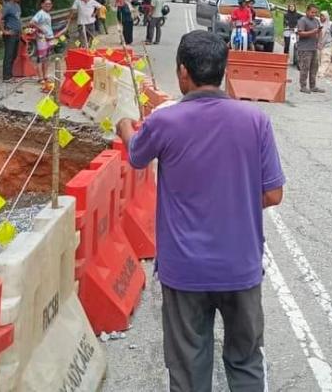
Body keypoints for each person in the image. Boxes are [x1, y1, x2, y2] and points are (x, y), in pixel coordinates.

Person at [115, 31, 285, 392]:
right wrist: (232, 199)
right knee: (246, 360)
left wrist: (124, 128)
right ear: (224, 71)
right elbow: (273, 193)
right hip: (241, 267)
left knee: (189, 368)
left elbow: (136, 155)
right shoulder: (256, 121)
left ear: (182, 73)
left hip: (185, 270)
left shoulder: (165, 122)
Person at [29, 0, 64, 91]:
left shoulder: (47, 14)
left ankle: (45, 76)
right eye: (46, 4)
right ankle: (40, 78)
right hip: (42, 38)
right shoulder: (40, 13)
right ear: (42, 4)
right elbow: (31, 22)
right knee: (41, 58)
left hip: (50, 37)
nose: (48, 5)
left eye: (50, 4)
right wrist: (39, 29)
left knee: (47, 58)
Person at [295, 4, 323, 93]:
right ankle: (303, 86)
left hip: (314, 47)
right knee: (305, 67)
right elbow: (300, 33)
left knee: (314, 67)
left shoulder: (316, 21)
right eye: (312, 12)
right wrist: (312, 32)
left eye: (315, 13)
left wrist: (319, 41)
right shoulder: (302, 21)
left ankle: (313, 86)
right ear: (307, 11)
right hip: (304, 48)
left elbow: (319, 32)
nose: (314, 14)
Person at [0, 0, 23, 82]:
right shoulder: (7, 6)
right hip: (10, 33)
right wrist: (4, 31)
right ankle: (6, 77)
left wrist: (21, 30)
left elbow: (18, 19)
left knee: (14, 55)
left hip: (17, 33)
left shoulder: (17, 6)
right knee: (9, 54)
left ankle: (10, 74)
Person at [316, 11, 332, 78]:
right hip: (318, 44)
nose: (321, 17)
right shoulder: (317, 24)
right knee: (318, 59)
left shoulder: (331, 25)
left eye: (323, 16)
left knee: (325, 59)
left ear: (326, 17)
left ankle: (321, 73)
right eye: (320, 16)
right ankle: (318, 71)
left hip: (327, 45)